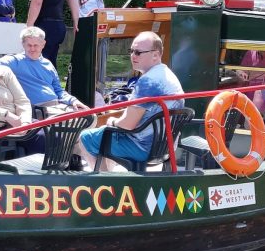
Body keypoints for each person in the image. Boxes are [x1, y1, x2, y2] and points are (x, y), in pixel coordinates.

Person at [76, 32, 184, 171]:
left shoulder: (148, 81)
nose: (133, 56)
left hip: (142, 147)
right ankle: (111, 180)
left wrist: (113, 121)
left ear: (156, 55)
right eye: (131, 51)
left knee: (87, 137)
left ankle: (105, 186)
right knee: (105, 134)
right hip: (165, 146)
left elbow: (128, 125)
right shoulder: (168, 75)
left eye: (138, 52)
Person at [0, 26, 90, 114]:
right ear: (23, 44)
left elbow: (59, 91)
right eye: (29, 45)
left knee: (89, 116)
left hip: (57, 106)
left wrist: (73, 101)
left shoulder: (48, 64)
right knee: (78, 121)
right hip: (38, 111)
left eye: (35, 45)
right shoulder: (14, 61)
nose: (32, 49)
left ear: (43, 44)